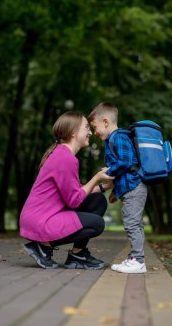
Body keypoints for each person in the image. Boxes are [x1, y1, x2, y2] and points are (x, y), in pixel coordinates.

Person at [19, 111, 114, 270]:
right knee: (97, 224)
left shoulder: (63, 154)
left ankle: (78, 254)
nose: (90, 132)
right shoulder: (65, 158)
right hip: (41, 220)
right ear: (73, 132)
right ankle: (42, 247)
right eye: (86, 128)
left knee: (97, 201)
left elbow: (75, 192)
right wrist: (97, 177)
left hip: (45, 216)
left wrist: (105, 186)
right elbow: (74, 200)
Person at [88, 102, 148, 274]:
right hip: (129, 187)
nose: (94, 132)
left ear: (105, 121)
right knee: (133, 223)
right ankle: (135, 258)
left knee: (132, 223)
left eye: (95, 126)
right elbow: (124, 171)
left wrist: (109, 171)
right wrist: (115, 191)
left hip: (135, 187)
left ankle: (138, 260)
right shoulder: (112, 139)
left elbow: (126, 162)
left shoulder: (118, 137)